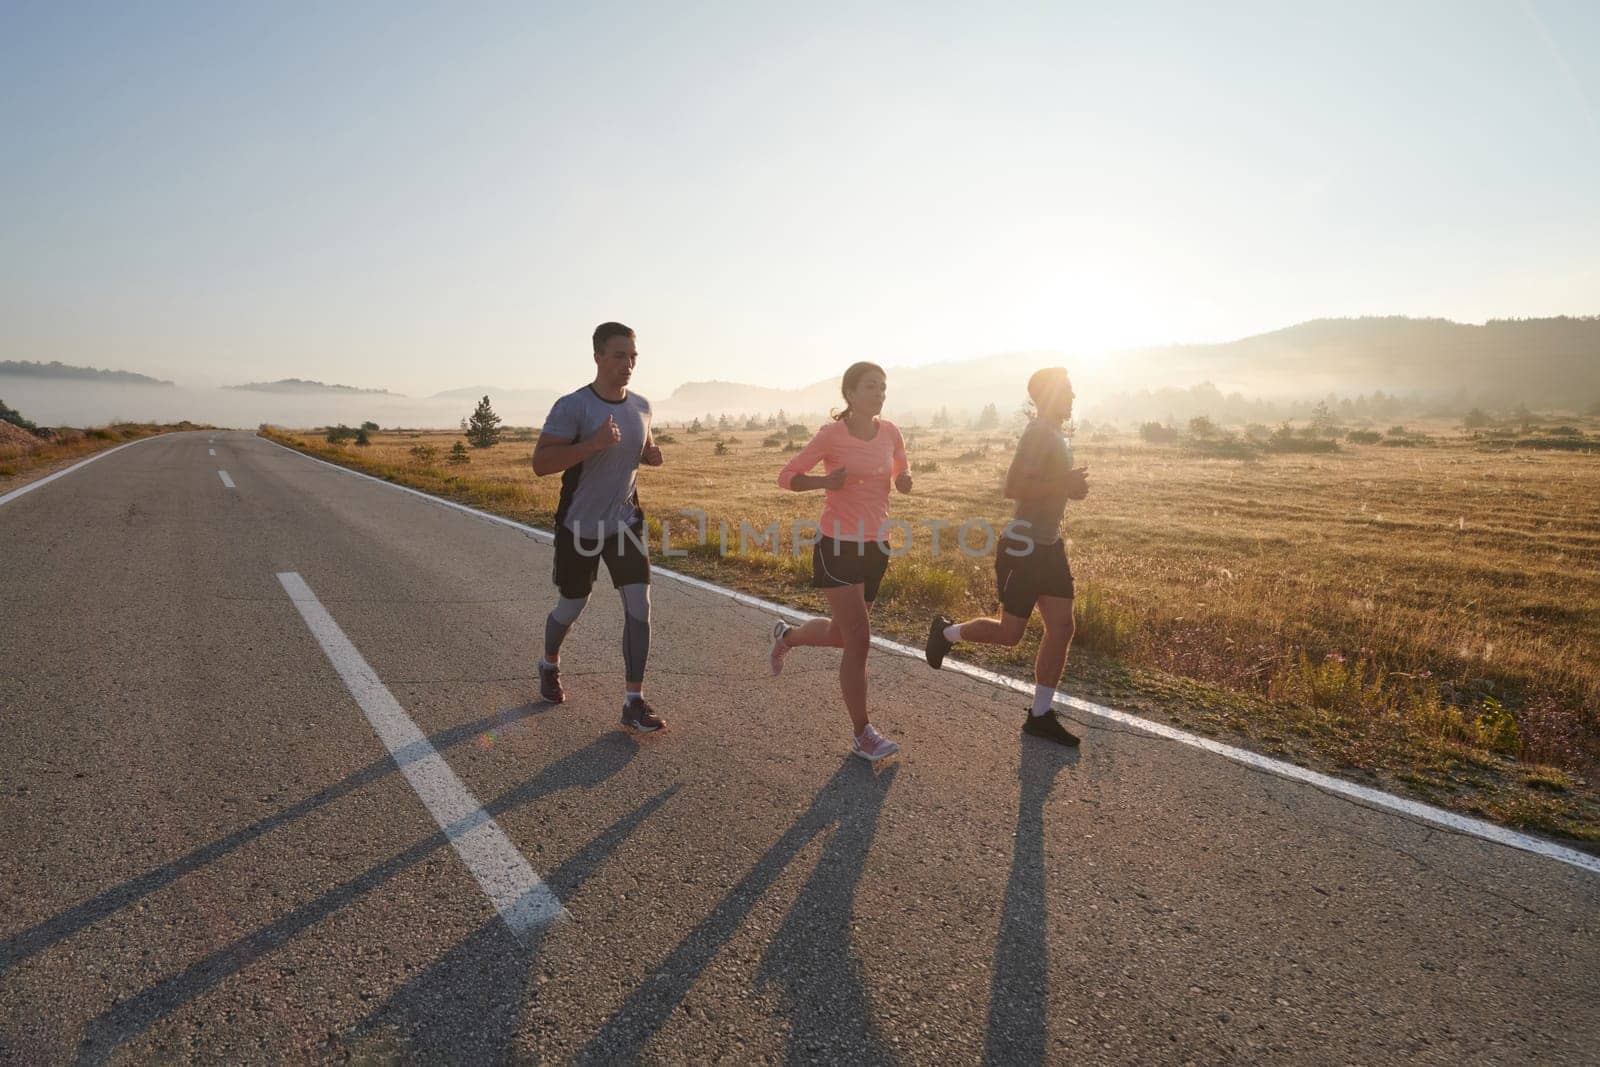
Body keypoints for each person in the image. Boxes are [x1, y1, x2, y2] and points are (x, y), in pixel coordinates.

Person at [923, 367, 1089, 746]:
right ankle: (946, 632)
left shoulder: (1058, 436)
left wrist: (1069, 489)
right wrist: (1063, 484)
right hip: (1023, 547)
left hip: (1049, 546)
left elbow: (1047, 489)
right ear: (1046, 395)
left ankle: (1041, 714)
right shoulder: (1037, 434)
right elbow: (1013, 487)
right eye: (1067, 390)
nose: (1074, 397)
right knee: (1010, 633)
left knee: (1062, 627)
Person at [768, 362, 911, 761]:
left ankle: (787, 637)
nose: (880, 393)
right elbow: (787, 475)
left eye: (883, 387)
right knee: (860, 640)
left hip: (876, 547)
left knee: (842, 636)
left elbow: (899, 462)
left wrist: (903, 478)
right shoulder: (832, 435)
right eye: (871, 386)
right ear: (849, 393)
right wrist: (824, 482)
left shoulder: (891, 431)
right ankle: (862, 733)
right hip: (838, 546)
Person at [531, 322, 666, 733]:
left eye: (633, 357)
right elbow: (541, 464)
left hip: (624, 524)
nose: (628, 364)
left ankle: (633, 701)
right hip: (579, 526)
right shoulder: (573, 407)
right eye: (619, 355)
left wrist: (650, 455)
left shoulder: (642, 406)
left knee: (639, 607)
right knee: (573, 605)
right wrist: (591, 444)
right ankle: (549, 663)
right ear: (597, 357)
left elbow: (637, 449)